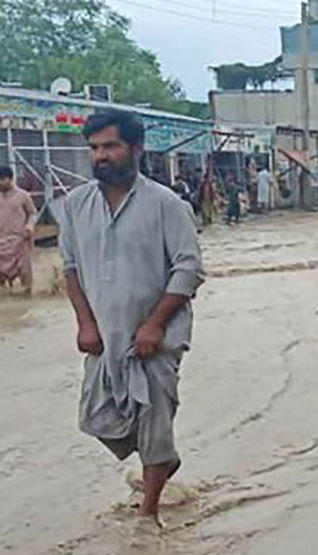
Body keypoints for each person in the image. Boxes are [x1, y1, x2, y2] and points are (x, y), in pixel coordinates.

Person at [55, 110, 204, 525]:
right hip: (105, 338)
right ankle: (162, 461)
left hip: (156, 339)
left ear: (135, 149)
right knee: (97, 419)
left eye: (110, 146)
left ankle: (149, 512)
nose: (100, 156)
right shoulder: (74, 205)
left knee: (155, 420)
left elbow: (189, 269)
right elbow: (69, 268)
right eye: (94, 148)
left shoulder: (166, 204)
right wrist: (84, 322)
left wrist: (155, 324)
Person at [0, 165, 38, 293]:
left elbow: (33, 213)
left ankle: (27, 298)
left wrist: (29, 226)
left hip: (20, 239)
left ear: (10, 179)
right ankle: (2, 296)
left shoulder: (23, 195)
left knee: (25, 273)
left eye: (1, 179)